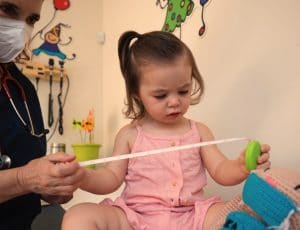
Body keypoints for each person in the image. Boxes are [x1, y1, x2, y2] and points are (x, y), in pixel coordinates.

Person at [62, 30, 271, 230]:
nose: (174, 102)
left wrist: (241, 166)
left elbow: (221, 171)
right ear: (137, 95)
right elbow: (110, 179)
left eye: (183, 91)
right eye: (161, 95)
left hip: (193, 218)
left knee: (243, 212)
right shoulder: (130, 135)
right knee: (78, 216)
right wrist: (83, 177)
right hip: (135, 218)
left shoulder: (199, 131)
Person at [0, 1, 85, 229]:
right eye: (8, 9)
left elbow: (28, 170)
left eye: (31, 19)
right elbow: (25, 176)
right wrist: (24, 179)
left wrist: (51, 188)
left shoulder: (21, 88)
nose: (19, 29)